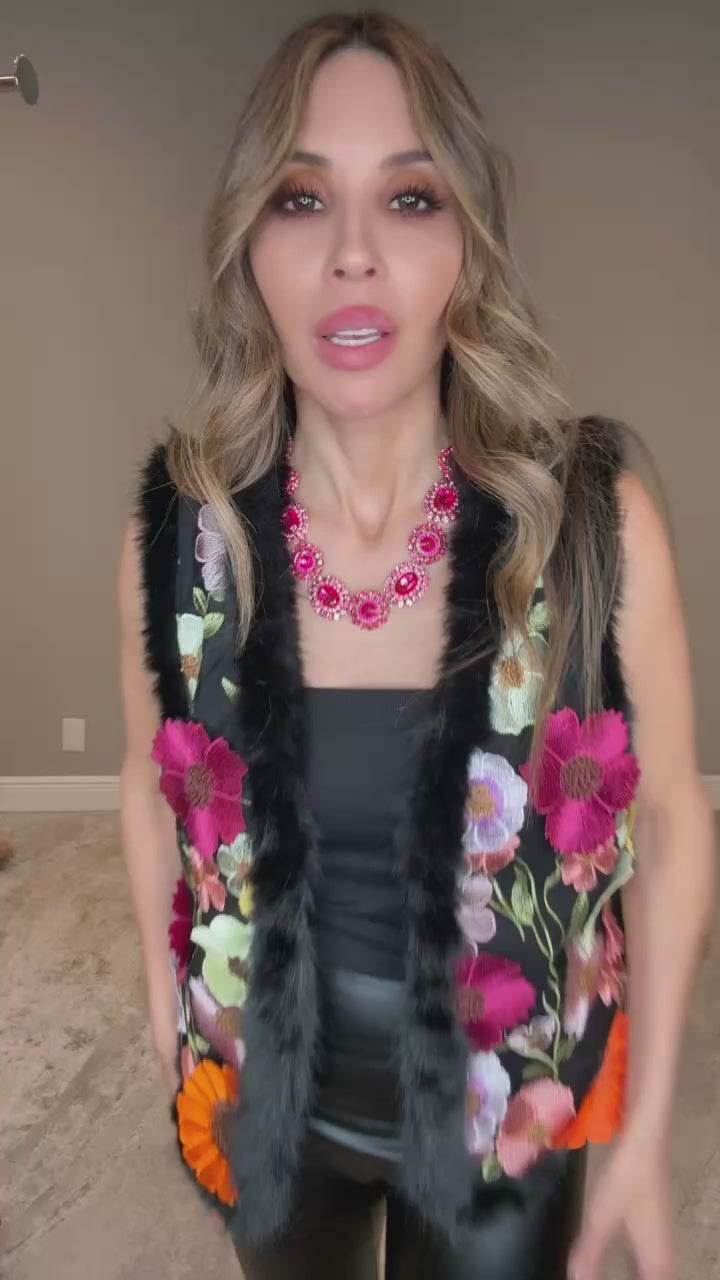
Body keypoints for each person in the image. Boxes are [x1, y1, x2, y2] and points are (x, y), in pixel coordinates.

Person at [117, 10, 715, 1279]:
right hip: (270, 1104)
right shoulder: (181, 538)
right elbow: (141, 775)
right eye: (300, 199)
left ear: (467, 244)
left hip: (511, 1109)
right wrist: (165, 1005)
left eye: (409, 197)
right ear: (248, 245)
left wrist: (648, 1121)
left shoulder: (590, 520)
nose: (353, 253)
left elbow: (671, 814)